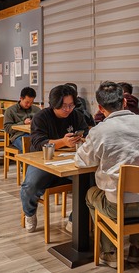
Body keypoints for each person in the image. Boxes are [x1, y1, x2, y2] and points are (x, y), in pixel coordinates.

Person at [75, 81, 139, 268]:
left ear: (100, 107)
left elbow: (82, 161)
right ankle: (136, 248)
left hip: (117, 207)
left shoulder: (99, 131)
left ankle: (110, 252)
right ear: (124, 101)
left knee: (91, 195)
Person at [21, 84, 89, 233]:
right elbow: (38, 143)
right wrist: (62, 142)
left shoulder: (76, 115)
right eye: (63, 106)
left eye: (71, 105)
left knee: (88, 182)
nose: (68, 109)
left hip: (70, 161)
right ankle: (29, 213)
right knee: (30, 185)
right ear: (53, 104)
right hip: (44, 160)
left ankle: (74, 220)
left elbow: (86, 134)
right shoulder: (41, 117)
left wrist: (81, 139)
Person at [3, 87, 41, 151]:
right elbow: (7, 128)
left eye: (31, 102)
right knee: (28, 148)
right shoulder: (10, 111)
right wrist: (23, 123)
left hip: (34, 135)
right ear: (21, 98)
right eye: (27, 102)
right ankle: (25, 160)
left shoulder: (36, 110)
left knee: (44, 146)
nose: (29, 104)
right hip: (18, 136)